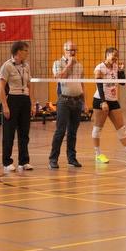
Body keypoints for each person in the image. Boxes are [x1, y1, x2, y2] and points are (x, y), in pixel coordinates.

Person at [92, 47, 126, 164]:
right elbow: (99, 86)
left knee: (121, 128)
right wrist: (103, 102)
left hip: (113, 100)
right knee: (98, 128)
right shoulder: (99, 68)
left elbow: (122, 82)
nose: (115, 58)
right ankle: (98, 155)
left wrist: (121, 70)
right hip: (100, 99)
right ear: (107, 55)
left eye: (117, 55)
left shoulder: (115, 66)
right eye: (113, 55)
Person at [48, 41, 85, 169]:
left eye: (74, 50)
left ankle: (71, 158)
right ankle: (53, 159)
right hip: (64, 101)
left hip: (77, 101)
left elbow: (82, 83)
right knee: (60, 131)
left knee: (73, 132)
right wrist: (69, 64)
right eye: (70, 50)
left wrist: (84, 102)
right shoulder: (57, 63)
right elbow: (60, 77)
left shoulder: (79, 65)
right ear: (64, 50)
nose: (72, 52)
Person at [0, 41, 34, 172]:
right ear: (18, 52)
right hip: (12, 99)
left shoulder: (26, 66)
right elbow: (1, 87)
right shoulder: (7, 66)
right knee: (9, 133)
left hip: (25, 99)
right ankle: (7, 162)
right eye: (25, 50)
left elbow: (30, 85)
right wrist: (5, 106)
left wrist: (32, 103)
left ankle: (24, 161)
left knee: (24, 132)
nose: (27, 53)